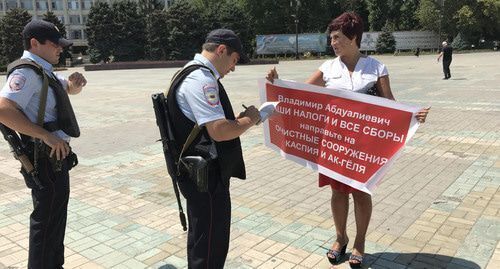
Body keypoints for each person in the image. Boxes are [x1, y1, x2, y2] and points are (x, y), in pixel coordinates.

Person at [266, 12, 429, 268]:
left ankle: (360, 242)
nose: (332, 42)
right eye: (331, 37)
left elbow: (390, 104)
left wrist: (411, 116)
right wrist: (276, 85)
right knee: (338, 191)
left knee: (361, 193)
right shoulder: (327, 68)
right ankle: (340, 238)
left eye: (337, 37)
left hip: (365, 146)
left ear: (353, 38)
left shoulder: (376, 67)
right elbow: (301, 94)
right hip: (334, 143)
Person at [166, 29, 260, 268]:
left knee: (202, 239)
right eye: (234, 60)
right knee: (211, 243)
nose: (233, 67)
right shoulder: (202, 79)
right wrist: (250, 119)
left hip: (197, 173)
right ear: (221, 50)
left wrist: (236, 119)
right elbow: (219, 130)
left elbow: (205, 124)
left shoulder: (189, 71)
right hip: (205, 179)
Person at [0, 20, 86, 268]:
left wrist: (75, 85)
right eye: (55, 44)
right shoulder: (26, 72)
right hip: (44, 157)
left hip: (55, 157)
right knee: (46, 223)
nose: (61, 49)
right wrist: (45, 135)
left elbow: (64, 88)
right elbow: (4, 110)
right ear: (35, 43)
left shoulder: (43, 69)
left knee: (54, 221)